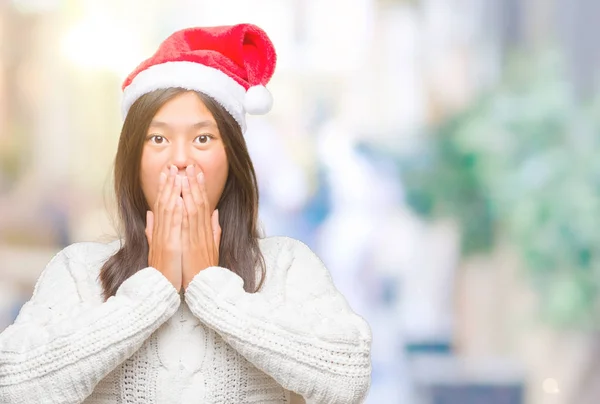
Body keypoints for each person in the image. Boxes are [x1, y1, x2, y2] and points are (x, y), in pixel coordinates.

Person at [0, 23, 372, 404]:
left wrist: (210, 286)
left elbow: (348, 379)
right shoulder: (78, 270)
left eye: (202, 138)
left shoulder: (286, 266)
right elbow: (15, 387)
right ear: (134, 158)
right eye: (158, 139)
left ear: (231, 159)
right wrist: (154, 286)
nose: (180, 160)